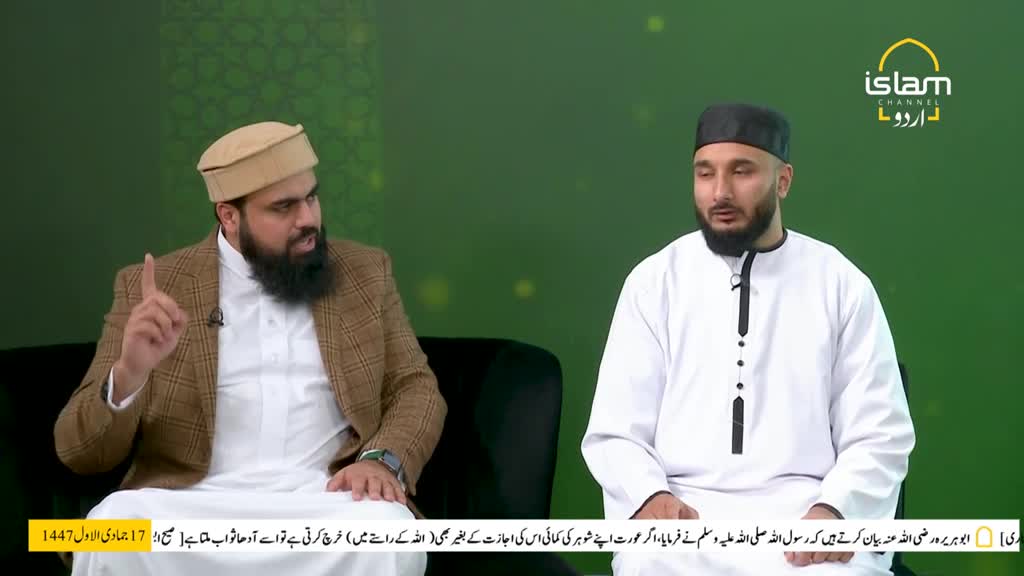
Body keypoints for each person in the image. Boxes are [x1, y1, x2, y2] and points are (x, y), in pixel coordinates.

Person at [54, 121, 447, 576]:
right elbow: (78, 451)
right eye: (283, 207)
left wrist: (382, 461)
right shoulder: (156, 287)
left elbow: (414, 387)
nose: (308, 220)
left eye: (311, 198)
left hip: (323, 502)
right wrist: (130, 373)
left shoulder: (364, 272)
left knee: (389, 535)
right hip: (191, 504)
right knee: (110, 529)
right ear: (229, 216)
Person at [580, 102, 915, 575]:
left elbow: (880, 433)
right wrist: (650, 496)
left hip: (805, 518)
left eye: (741, 172)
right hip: (685, 519)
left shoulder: (840, 285)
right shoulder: (655, 283)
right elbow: (617, 430)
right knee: (646, 563)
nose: (720, 192)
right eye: (705, 173)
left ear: (783, 181)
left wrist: (835, 511)